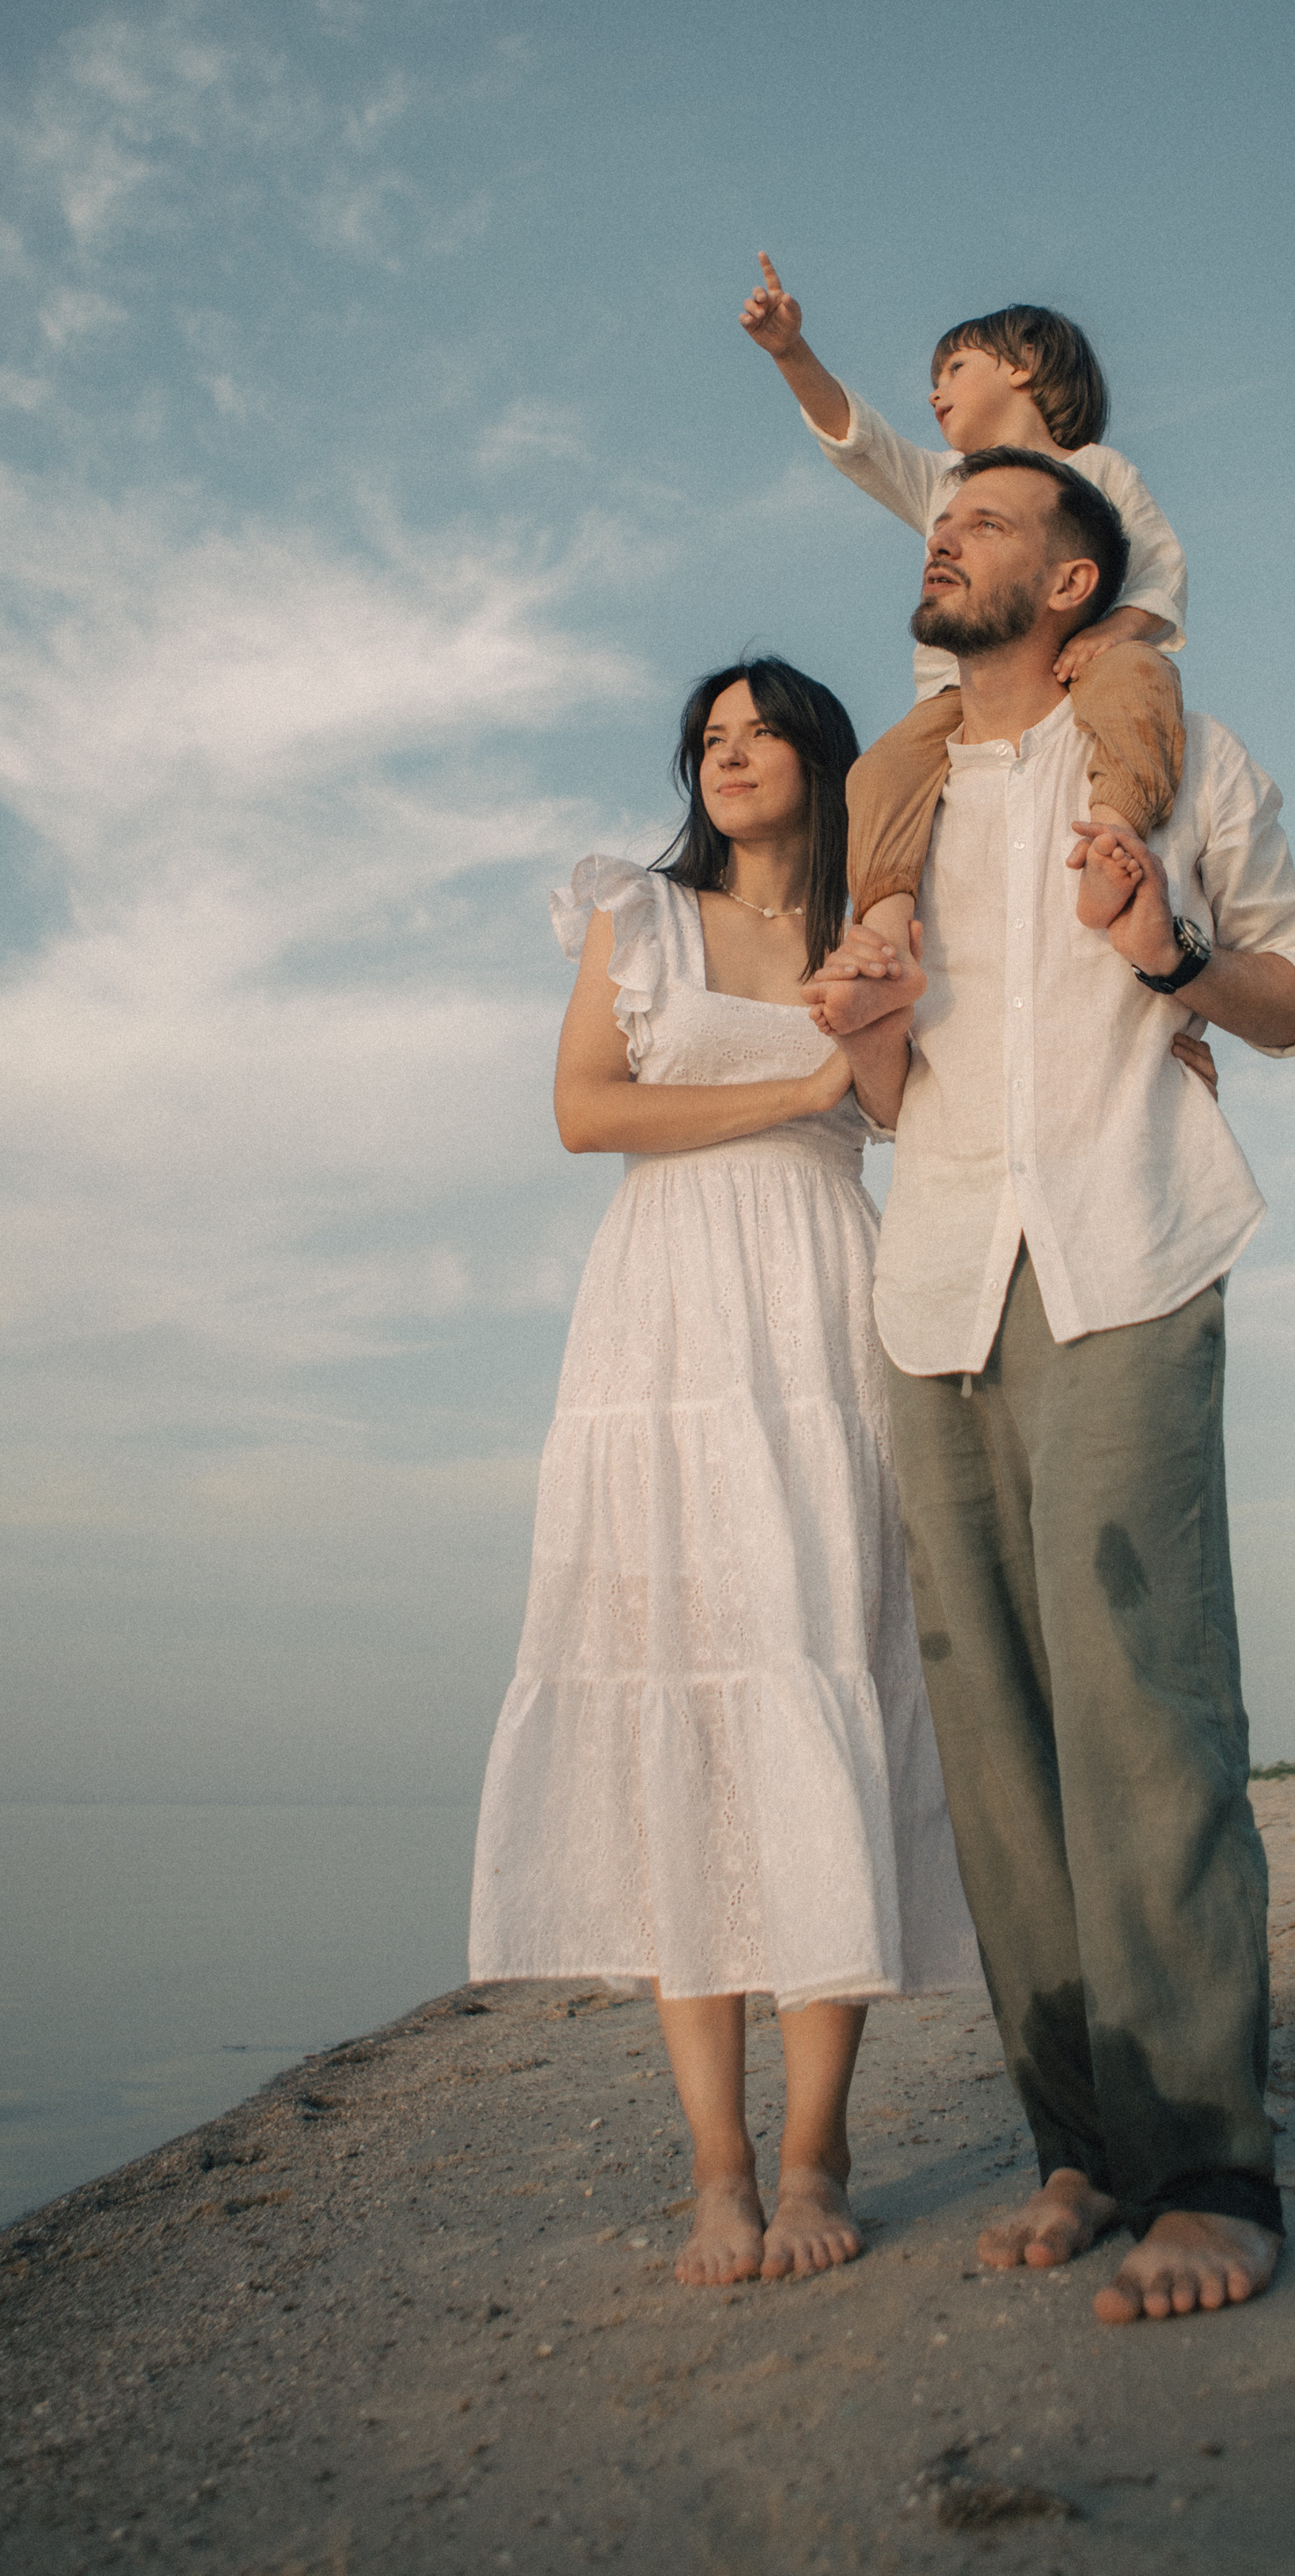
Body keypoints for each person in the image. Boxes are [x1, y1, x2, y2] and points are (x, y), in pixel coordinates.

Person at [809, 451, 1295, 2327]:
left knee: (1143, 1711)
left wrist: (1170, 958)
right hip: (936, 1284)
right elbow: (901, 1099)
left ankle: (1208, 2160)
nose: (938, 528)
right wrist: (868, 1043)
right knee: (994, 1743)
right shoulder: (892, 811)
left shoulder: (1179, 761)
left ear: (1067, 581)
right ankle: (1079, 2147)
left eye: (981, 519)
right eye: (934, 513)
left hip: (1125, 1253)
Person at [467, 658, 979, 2289]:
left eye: (761, 733)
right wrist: (808, 1079)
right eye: (711, 738)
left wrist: (870, 1040)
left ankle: (821, 2149)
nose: (732, 755)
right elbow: (581, 1111)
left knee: (825, 1673)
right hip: (665, 1321)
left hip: (827, 1300)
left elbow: (907, 1109)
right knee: (687, 1697)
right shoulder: (643, 915)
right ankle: (718, 2166)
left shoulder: (878, 929)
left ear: (820, 760)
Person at [740, 254, 1188, 956]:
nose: (934, 393)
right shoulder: (945, 483)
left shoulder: (1099, 471)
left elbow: (1160, 564)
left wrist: (1116, 633)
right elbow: (862, 444)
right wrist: (792, 353)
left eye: (953, 370)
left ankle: (1112, 836)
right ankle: (883, 923)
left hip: (1076, 670)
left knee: (1141, 678)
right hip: (955, 695)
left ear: (1024, 363)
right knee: (880, 773)